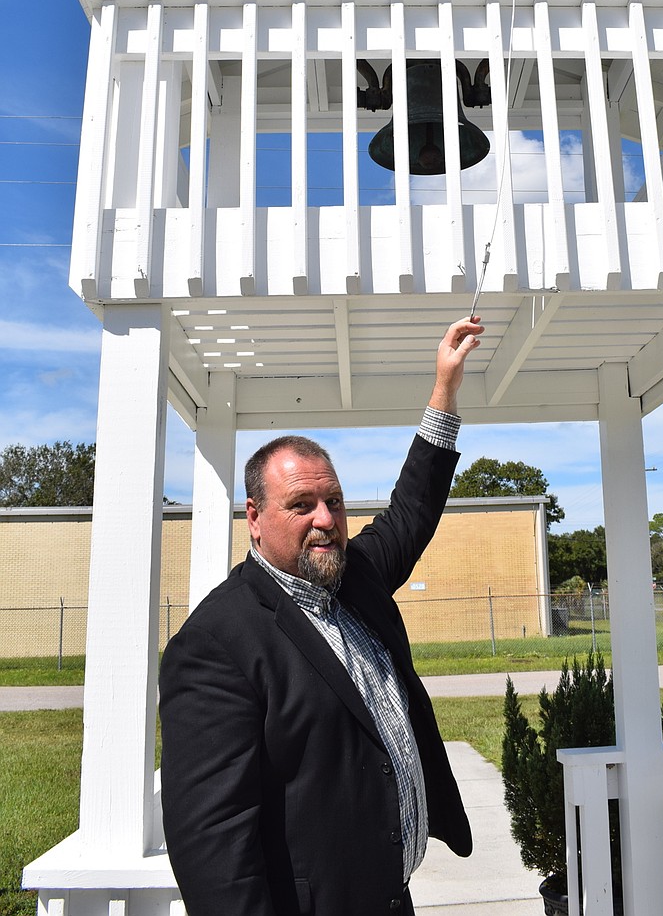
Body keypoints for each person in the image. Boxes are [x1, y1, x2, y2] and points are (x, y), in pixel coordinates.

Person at [159, 316, 484, 916]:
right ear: (254, 516)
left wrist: (444, 388)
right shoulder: (216, 643)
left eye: (332, 501)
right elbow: (211, 842)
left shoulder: (353, 577)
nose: (326, 520)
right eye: (301, 505)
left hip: (391, 898)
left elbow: (413, 506)